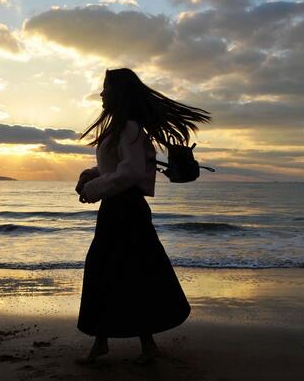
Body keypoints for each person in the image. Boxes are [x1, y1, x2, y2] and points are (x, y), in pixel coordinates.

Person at [74, 68, 211, 365]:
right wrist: (93, 174)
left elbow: (132, 172)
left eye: (105, 88)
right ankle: (126, 343)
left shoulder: (130, 128)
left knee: (115, 270)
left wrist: (93, 188)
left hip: (124, 209)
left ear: (118, 93)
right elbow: (122, 168)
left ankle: (113, 343)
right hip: (120, 208)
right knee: (129, 271)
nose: (101, 93)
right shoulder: (124, 128)